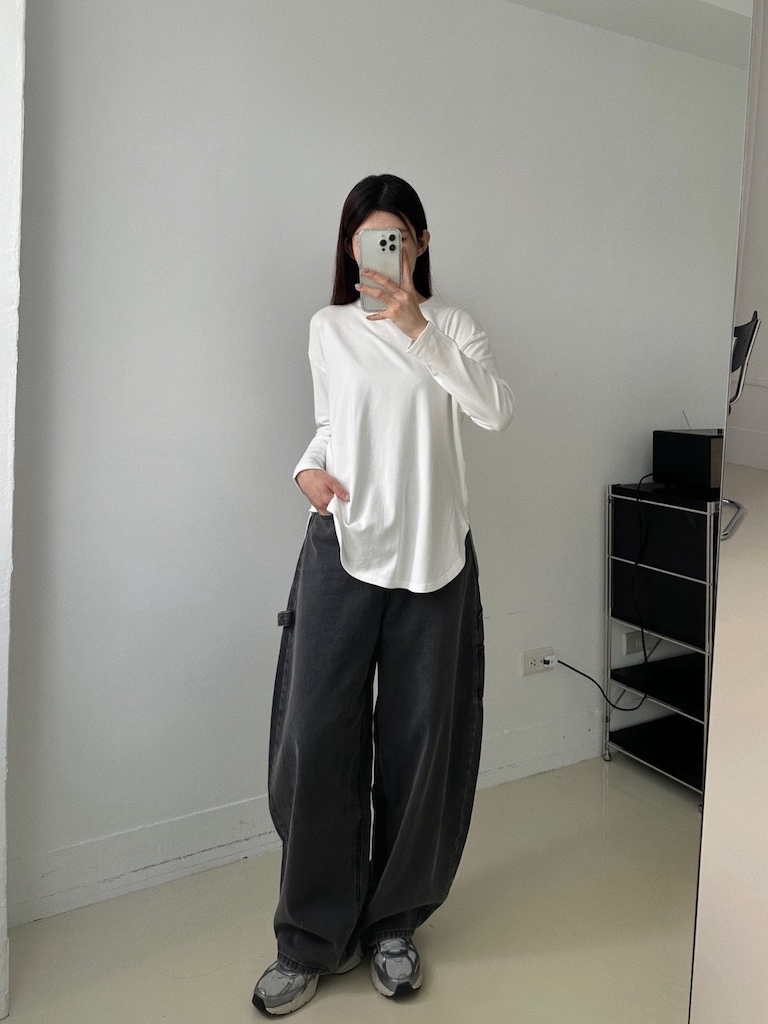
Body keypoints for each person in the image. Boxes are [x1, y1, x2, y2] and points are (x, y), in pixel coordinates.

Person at [252, 174, 514, 1016]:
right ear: (350, 248)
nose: (382, 252)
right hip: (343, 547)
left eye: (396, 237)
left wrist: (417, 329)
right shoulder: (327, 328)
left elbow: (495, 412)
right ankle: (309, 938)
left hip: (434, 560)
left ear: (421, 245)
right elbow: (333, 427)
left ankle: (394, 925)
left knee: (421, 743)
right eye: (368, 239)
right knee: (316, 738)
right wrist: (306, 470)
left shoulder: (455, 327)